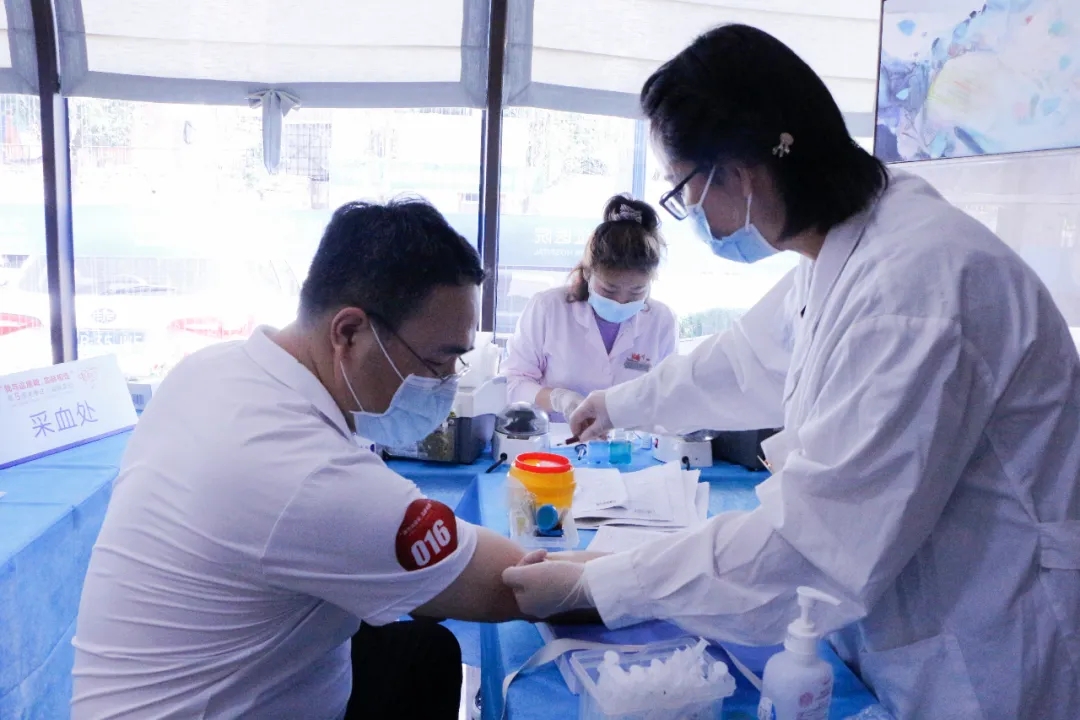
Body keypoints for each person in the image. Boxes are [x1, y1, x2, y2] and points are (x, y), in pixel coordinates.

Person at [502, 24, 1080, 720]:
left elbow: (812, 542)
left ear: (739, 174)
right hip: (904, 615)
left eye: (683, 191)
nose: (690, 214)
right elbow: (745, 362)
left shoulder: (914, 292)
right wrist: (619, 404)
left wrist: (604, 586)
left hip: (983, 647)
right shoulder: (851, 246)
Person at [72, 199, 528, 719]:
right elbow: (504, 587)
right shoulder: (309, 474)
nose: (447, 382)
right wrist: (609, 579)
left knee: (422, 654)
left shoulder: (212, 369)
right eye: (438, 360)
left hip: (158, 692)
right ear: (349, 332)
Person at [503, 195, 677, 421]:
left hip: (629, 439)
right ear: (587, 273)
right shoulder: (548, 308)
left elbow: (667, 395)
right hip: (557, 435)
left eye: (637, 291)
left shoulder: (662, 321)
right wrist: (559, 399)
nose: (621, 301)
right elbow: (514, 382)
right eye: (609, 290)